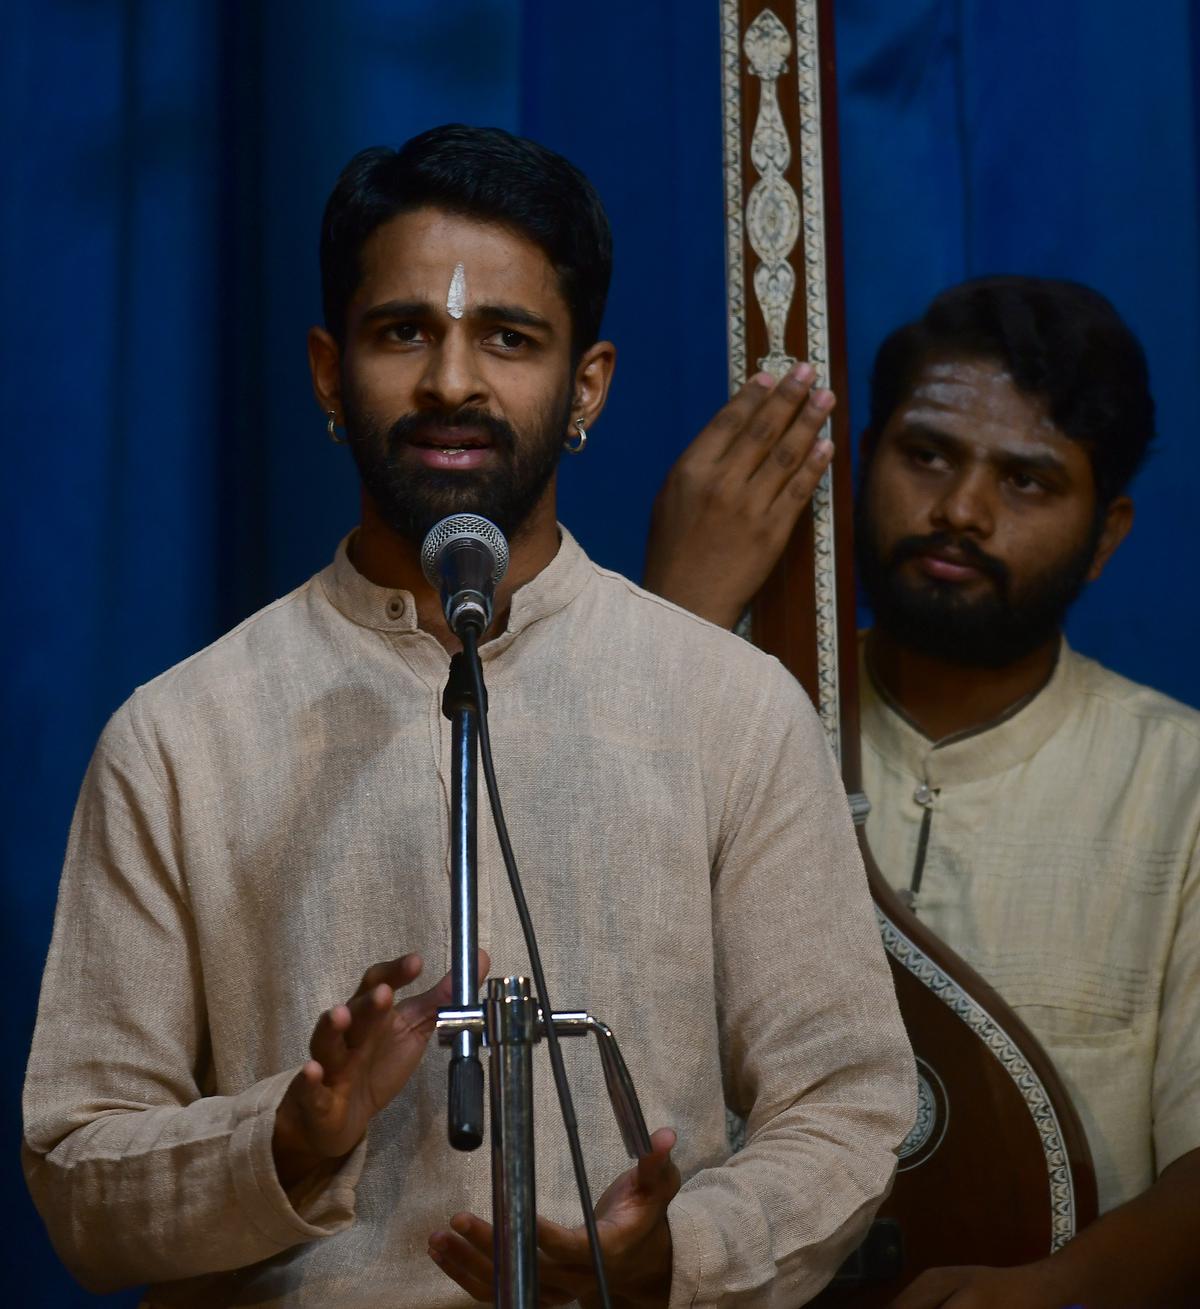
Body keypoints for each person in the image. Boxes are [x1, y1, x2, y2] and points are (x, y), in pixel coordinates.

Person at [22, 125, 916, 1308]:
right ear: (330, 373)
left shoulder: (730, 711)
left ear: (584, 384)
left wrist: (672, 1260)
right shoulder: (181, 735)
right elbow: (78, 1172)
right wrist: (285, 1139)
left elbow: (847, 1107)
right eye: (405, 332)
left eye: (508, 337)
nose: (453, 380)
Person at [645, 275, 1200, 1308]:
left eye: (1028, 481)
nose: (960, 511)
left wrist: (1048, 1292)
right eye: (927, 455)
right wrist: (672, 626)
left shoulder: (1180, 786)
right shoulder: (735, 715)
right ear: (855, 463)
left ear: (1108, 531)